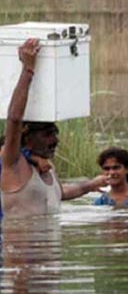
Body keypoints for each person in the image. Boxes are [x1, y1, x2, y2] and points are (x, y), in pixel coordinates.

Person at [1, 39, 108, 218]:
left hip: (48, 246)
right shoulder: (12, 163)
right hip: (19, 246)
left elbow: (61, 193)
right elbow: (14, 119)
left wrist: (89, 185)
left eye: (55, 133)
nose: (55, 140)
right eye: (48, 134)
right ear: (25, 135)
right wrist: (27, 70)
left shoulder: (47, 166)